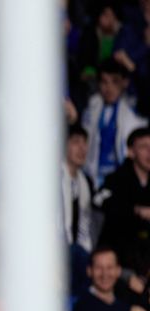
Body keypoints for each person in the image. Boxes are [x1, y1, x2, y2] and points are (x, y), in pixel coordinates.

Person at [93, 127, 150, 278]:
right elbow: (98, 202)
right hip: (119, 258)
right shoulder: (116, 179)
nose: (149, 152)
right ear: (131, 152)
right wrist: (135, 210)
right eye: (144, 147)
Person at [82, 60, 147, 187]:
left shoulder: (134, 113)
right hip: (93, 177)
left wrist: (133, 68)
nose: (109, 88)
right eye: (104, 82)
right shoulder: (91, 109)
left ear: (124, 83)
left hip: (123, 181)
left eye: (114, 82)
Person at [62, 124, 98, 254]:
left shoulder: (86, 181)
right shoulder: (51, 180)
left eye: (85, 143)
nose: (82, 148)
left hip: (77, 250)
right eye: (76, 142)